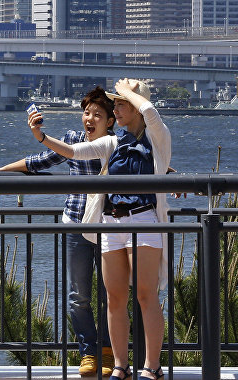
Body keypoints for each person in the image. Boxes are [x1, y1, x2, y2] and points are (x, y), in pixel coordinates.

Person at [28, 78, 171, 380]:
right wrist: (42, 137)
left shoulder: (157, 139)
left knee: (145, 296)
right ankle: (121, 365)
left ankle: (153, 366)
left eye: (121, 104)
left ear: (136, 107)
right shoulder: (114, 142)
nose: (115, 109)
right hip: (110, 223)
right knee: (115, 298)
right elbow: (74, 151)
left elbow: (153, 115)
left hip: (143, 220)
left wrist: (132, 94)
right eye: (116, 103)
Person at [0, 86, 117, 377]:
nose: (90, 118)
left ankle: (109, 352)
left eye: (97, 114)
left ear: (110, 120)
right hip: (75, 223)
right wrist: (4, 170)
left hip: (108, 225)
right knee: (79, 295)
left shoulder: (116, 144)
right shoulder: (72, 139)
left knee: (113, 293)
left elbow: (144, 165)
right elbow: (40, 162)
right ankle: (88, 353)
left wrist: (170, 176)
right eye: (86, 112)